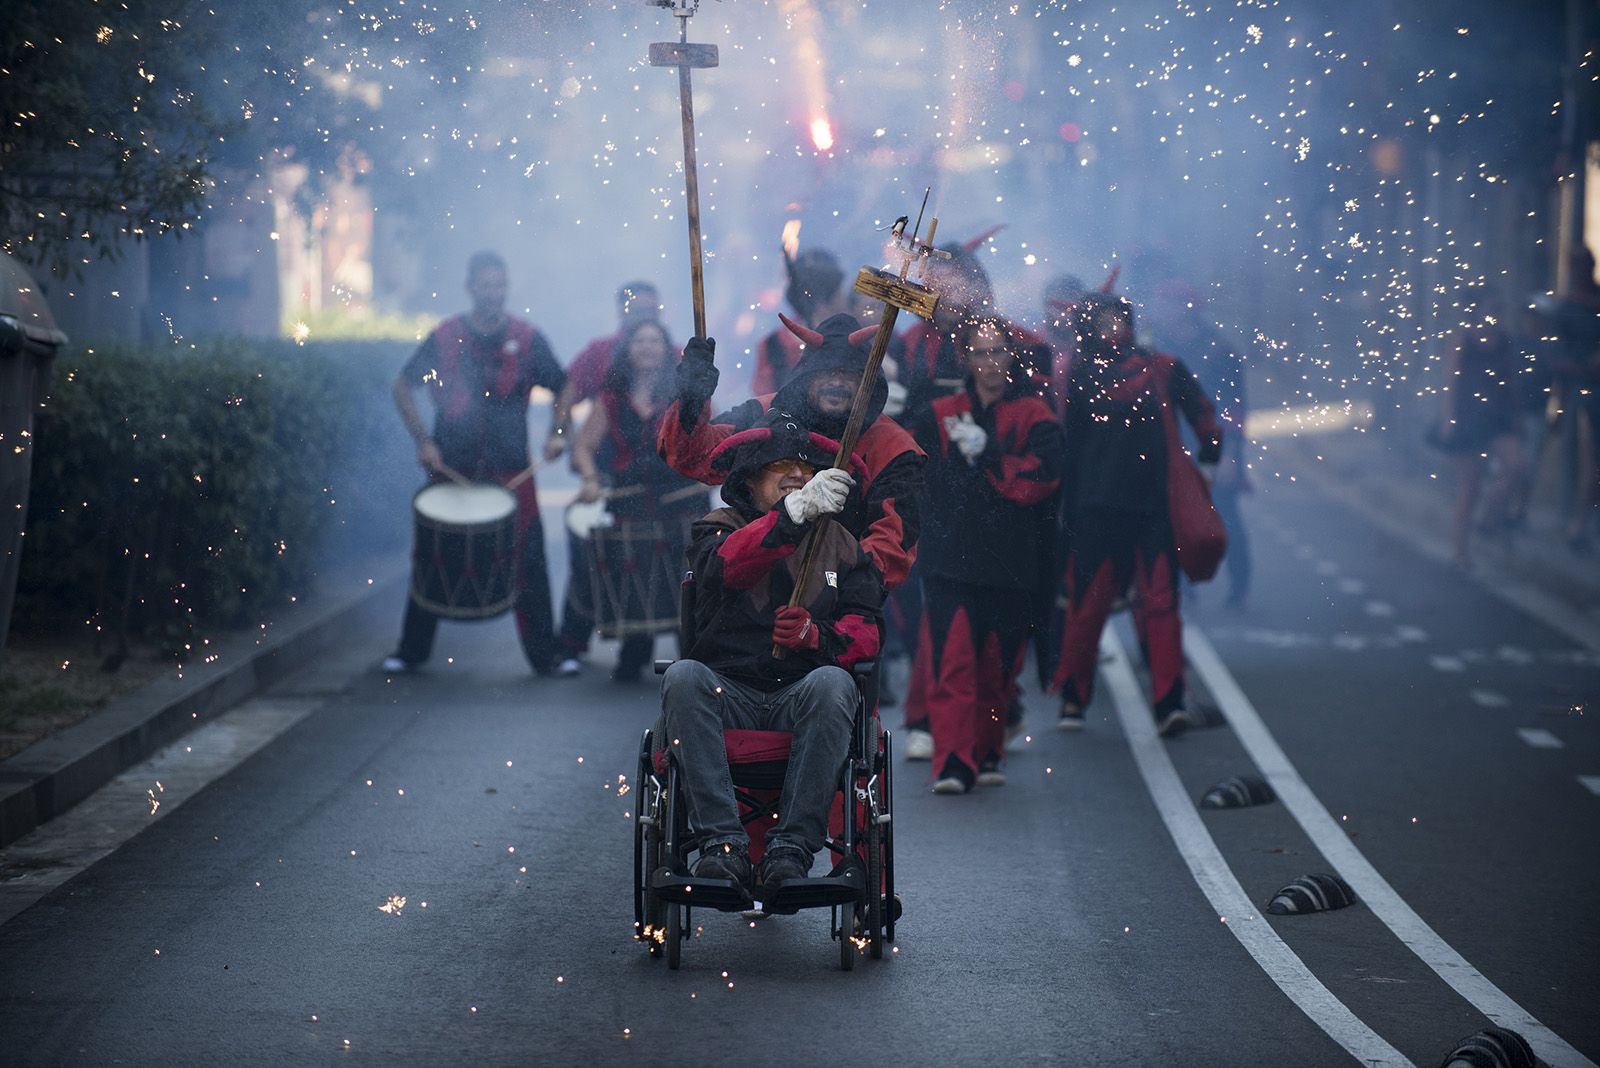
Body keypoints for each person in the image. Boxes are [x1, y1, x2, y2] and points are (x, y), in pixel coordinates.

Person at [659, 412, 882, 895]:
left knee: (835, 681)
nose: (798, 475)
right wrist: (791, 516)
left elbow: (866, 632)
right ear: (748, 479)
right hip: (727, 692)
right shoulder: (717, 529)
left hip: (804, 696)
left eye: (807, 468)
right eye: (781, 466)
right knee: (682, 676)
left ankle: (791, 849)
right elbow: (724, 569)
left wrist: (816, 636)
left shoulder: (844, 545)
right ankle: (722, 845)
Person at [385, 252, 567, 675]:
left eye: (500, 284)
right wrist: (423, 441)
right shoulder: (445, 335)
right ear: (470, 288)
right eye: (486, 284)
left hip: (512, 471)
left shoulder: (526, 337)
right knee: (431, 553)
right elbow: (403, 385)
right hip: (452, 467)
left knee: (529, 557)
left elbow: (564, 385)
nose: (494, 292)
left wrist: (557, 432)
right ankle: (411, 651)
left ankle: (546, 656)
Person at [1052, 293, 1222, 736]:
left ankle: (1168, 703)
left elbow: (1205, 417)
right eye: (1103, 320)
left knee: (1160, 603)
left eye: (1118, 319)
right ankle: (1074, 696)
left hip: (1149, 509)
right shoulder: (1078, 372)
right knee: (1087, 608)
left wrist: (1207, 464)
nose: (1113, 328)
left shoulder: (1160, 367)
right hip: (1096, 510)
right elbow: (1064, 442)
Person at [659, 313, 925, 596]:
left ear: (867, 381)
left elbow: (890, 546)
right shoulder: (766, 413)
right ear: (807, 374)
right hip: (753, 582)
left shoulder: (895, 447)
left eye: (849, 374)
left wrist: (830, 596)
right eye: (826, 371)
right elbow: (694, 457)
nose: (836, 382)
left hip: (840, 599)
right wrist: (691, 398)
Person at [909, 318, 1065, 794]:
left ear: (1011, 356)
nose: (991, 362)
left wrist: (992, 453)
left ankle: (988, 749)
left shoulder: (1035, 415)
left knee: (998, 669)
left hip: (1010, 563)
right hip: (950, 559)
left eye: (998, 351)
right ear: (966, 358)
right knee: (953, 663)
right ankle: (953, 762)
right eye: (981, 352)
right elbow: (910, 468)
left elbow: (1045, 478)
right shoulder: (940, 413)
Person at [559, 319, 708, 680]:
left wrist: (708, 469)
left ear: (666, 349)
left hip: (682, 503)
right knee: (637, 576)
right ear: (627, 350)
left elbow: (713, 435)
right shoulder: (611, 398)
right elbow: (584, 447)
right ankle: (634, 652)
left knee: (684, 582)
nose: (647, 347)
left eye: (654, 341)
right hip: (631, 505)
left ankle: (692, 658)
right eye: (639, 341)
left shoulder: (687, 395)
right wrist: (591, 478)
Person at [1149, 282, 1253, 606]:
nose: (1163, 312)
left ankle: (1239, 584)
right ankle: (1183, 584)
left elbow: (1233, 407)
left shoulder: (1221, 351)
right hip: (1172, 441)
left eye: (1170, 305)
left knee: (1225, 513)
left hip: (1213, 442)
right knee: (1173, 515)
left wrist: (1229, 453)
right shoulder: (1157, 347)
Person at [1431, 310, 1529, 571]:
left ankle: (1489, 515)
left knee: (1517, 465)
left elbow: (1511, 381)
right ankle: (1460, 554)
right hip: (1467, 418)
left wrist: (1517, 416)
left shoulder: (1503, 340)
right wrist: (1448, 419)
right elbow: (1450, 382)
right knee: (1470, 489)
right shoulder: (1462, 340)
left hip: (1497, 418)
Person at [547, 281, 663, 459]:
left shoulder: (675, 355)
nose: (646, 318)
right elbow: (567, 393)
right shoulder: (600, 352)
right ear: (623, 312)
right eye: (640, 312)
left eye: (651, 311)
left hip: (664, 460)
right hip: (607, 460)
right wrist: (560, 432)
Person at [750, 248, 850, 395]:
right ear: (822, 301)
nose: (845, 297)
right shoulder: (773, 346)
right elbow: (764, 399)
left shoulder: (772, 344)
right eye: (839, 290)